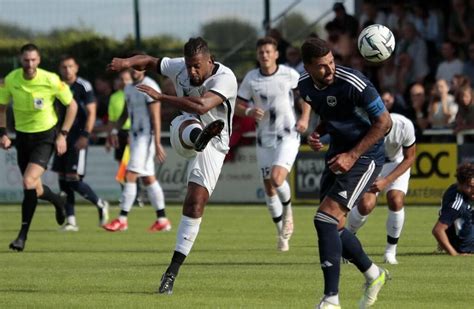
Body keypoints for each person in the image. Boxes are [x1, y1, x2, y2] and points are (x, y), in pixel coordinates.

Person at [106, 37, 237, 294]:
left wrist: (161, 96)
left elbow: (202, 104)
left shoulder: (226, 78)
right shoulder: (180, 66)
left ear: (210, 61)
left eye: (197, 66)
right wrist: (127, 62)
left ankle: (171, 272)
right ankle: (197, 136)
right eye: (189, 66)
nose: (191, 71)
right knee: (190, 122)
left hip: (216, 146)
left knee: (195, 203)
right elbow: (150, 61)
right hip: (184, 129)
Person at [298, 37, 392, 308]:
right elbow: (334, 114)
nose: (330, 70)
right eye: (322, 66)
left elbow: (384, 122)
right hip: (338, 154)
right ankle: (374, 275)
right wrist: (317, 133)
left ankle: (331, 300)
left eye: (332, 62)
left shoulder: (355, 82)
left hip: (365, 156)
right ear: (308, 67)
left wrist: (353, 155)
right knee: (334, 226)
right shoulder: (304, 87)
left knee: (324, 219)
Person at [235, 37, 311, 251]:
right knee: (268, 187)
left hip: (287, 134)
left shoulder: (289, 74)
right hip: (263, 138)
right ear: (258, 55)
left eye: (269, 51)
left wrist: (304, 118)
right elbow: (237, 105)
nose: (265, 55)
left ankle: (288, 212)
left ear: (276, 54)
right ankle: (281, 234)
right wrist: (249, 111)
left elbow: (306, 96)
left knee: (277, 179)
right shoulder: (251, 78)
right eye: (261, 52)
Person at [0, 43, 78, 251]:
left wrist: (62, 135)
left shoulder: (50, 79)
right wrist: (3, 133)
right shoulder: (11, 79)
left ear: (39, 60)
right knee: (35, 186)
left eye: (33, 60)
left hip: (46, 136)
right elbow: (2, 106)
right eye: (26, 60)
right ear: (20, 59)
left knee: (28, 180)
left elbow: (72, 106)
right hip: (23, 137)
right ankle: (58, 201)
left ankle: (22, 236)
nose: (30, 64)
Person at [103, 54, 171, 233]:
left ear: (143, 67)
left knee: (130, 175)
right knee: (148, 178)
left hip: (145, 138)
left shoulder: (149, 85)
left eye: (135, 66)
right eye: (130, 66)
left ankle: (122, 219)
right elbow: (126, 113)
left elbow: (156, 117)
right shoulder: (128, 89)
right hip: (135, 138)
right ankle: (162, 220)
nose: (132, 70)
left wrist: (157, 142)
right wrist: (115, 130)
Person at [347, 113, 416, 264]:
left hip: (395, 163)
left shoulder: (405, 125)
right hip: (370, 162)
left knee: (396, 200)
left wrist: (386, 180)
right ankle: (347, 243)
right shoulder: (364, 126)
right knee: (366, 205)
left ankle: (390, 251)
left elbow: (410, 157)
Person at [52, 55, 109, 231]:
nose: (67, 70)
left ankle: (100, 204)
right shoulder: (56, 86)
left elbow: (91, 112)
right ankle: (71, 221)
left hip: (78, 138)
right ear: (60, 69)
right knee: (62, 179)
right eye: (63, 67)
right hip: (61, 138)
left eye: (70, 66)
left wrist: (85, 135)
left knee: (74, 180)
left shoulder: (83, 86)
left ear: (76, 67)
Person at [432, 162, 474, 255]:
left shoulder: (457, 189)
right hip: (465, 248)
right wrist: (454, 254)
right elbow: (438, 230)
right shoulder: (457, 203)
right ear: (460, 184)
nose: (473, 189)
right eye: (469, 186)